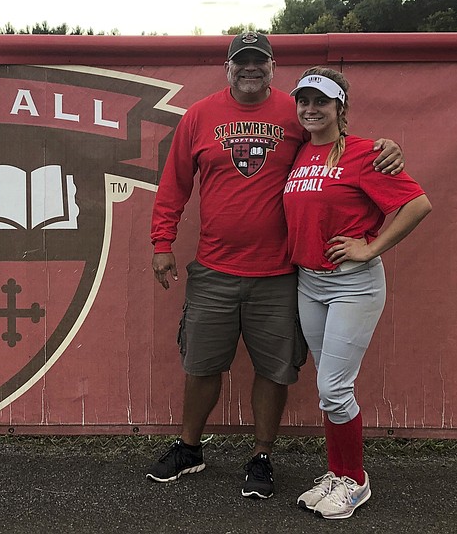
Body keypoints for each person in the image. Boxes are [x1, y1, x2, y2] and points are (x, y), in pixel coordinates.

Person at [145, 31, 405, 499]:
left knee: (275, 369)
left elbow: (337, 142)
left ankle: (262, 454)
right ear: (228, 67)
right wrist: (162, 241)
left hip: (282, 273)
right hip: (215, 268)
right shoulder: (200, 116)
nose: (250, 68)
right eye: (241, 61)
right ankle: (189, 448)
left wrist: (385, 148)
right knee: (201, 364)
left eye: (259, 61)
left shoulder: (295, 110)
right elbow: (175, 183)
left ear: (272, 66)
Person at [283, 67, 431, 518]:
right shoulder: (300, 152)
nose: (310, 109)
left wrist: (371, 248)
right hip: (310, 282)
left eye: (321, 102)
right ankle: (337, 472)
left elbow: (417, 204)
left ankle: (356, 481)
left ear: (339, 107)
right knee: (330, 390)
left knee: (334, 385)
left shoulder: (366, 153)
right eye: (303, 101)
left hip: (352, 284)